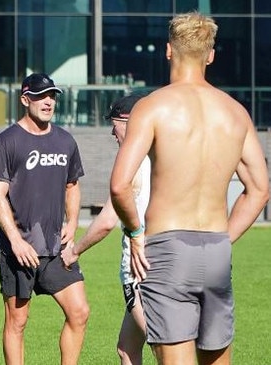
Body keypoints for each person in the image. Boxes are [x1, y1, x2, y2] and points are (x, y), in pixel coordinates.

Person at [110, 12, 269, 365]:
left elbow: (120, 185)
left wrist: (136, 233)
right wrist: (224, 237)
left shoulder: (152, 107)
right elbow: (259, 188)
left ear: (168, 51)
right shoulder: (236, 112)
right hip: (216, 249)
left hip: (167, 249)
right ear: (210, 55)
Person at [0, 73, 89, 365]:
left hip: (56, 248)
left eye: (52, 96)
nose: (48, 102)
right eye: (42, 96)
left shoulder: (65, 141)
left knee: (79, 312)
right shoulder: (6, 142)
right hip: (18, 249)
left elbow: (73, 185)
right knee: (18, 321)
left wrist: (72, 221)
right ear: (24, 99)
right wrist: (16, 240)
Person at [61, 94, 148, 365]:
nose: (112, 131)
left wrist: (74, 251)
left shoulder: (131, 160)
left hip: (142, 267)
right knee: (127, 348)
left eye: (115, 123)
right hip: (172, 259)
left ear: (130, 122)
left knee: (165, 347)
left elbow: (107, 221)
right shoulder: (165, 155)